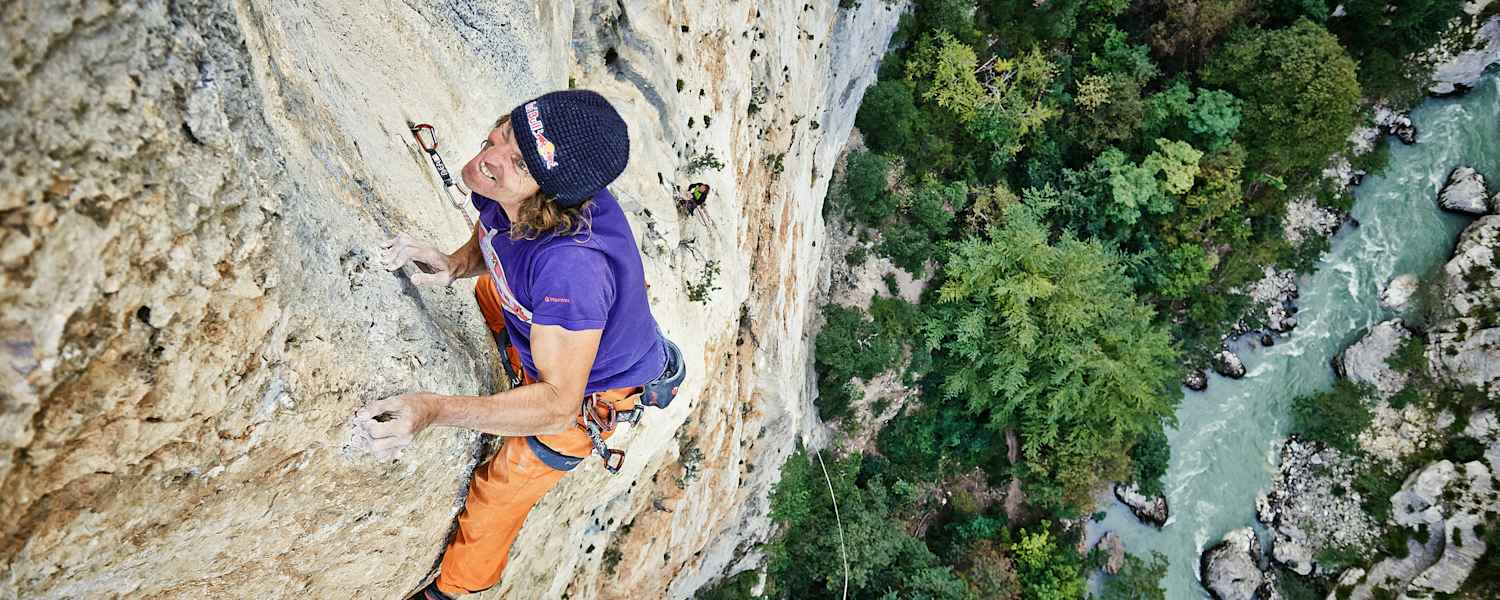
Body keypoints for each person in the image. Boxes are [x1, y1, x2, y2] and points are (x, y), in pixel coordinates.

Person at [356, 90, 676, 599]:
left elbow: (556, 407)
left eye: (516, 162)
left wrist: (432, 411)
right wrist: (457, 263)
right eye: (502, 135)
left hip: (592, 392)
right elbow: (494, 229)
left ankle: (453, 591)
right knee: (488, 289)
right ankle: (519, 361)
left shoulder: (572, 268)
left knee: (500, 491)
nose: (489, 159)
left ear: (546, 199)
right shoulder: (508, 180)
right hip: (550, 333)